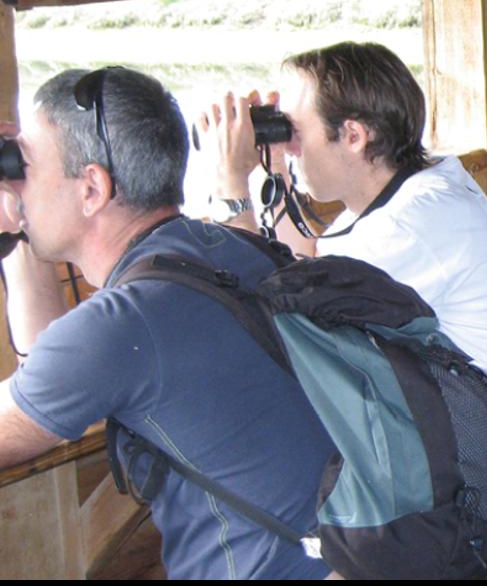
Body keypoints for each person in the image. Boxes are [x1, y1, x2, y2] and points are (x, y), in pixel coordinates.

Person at [202, 41, 487, 579]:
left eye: (294, 129)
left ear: (353, 134)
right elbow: (307, 272)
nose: (290, 144)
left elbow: (271, 312)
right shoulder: (427, 188)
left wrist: (231, 188)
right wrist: (271, 175)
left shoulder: (408, 226)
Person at [0, 67, 335, 579]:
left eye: (23, 162)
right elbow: (52, 366)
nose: (15, 179)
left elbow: (32, 402)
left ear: (92, 187)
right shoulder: (229, 250)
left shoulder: (121, 326)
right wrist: (14, 233)